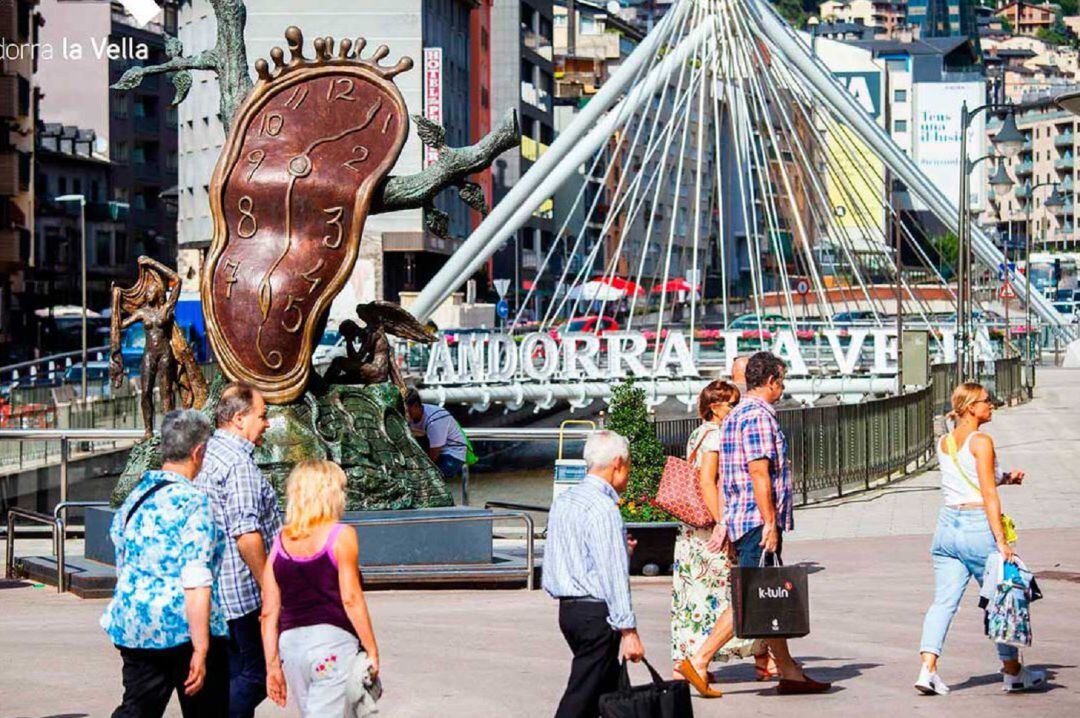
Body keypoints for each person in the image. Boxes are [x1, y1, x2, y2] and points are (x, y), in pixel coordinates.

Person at [915, 382, 1044, 695]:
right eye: (987, 401)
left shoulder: (945, 441)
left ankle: (927, 670)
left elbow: (972, 477)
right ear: (971, 406)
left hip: (947, 527)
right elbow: (987, 493)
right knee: (1001, 598)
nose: (992, 405)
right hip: (976, 527)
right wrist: (1001, 541)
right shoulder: (982, 441)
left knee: (943, 602)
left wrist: (1006, 478)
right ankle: (1012, 671)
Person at [101, 409, 228, 718]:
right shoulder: (193, 502)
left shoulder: (136, 497)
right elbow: (196, 579)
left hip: (134, 624)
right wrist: (201, 647)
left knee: (138, 708)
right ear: (198, 452)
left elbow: (121, 551)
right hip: (181, 627)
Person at [720, 351, 831, 695]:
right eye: (781, 380)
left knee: (768, 597)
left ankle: (788, 670)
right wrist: (770, 522)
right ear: (770, 381)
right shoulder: (758, 417)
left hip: (745, 518)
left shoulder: (737, 414)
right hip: (756, 520)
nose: (783, 387)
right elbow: (758, 471)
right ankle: (697, 659)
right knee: (752, 597)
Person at [262, 460, 381, 717]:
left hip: (291, 645)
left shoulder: (280, 541)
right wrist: (371, 648)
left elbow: (269, 612)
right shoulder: (341, 535)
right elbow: (351, 599)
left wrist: (272, 666)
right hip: (332, 642)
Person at [543, 430, 645, 718]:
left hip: (570, 610)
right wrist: (629, 630)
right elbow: (613, 574)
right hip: (596, 615)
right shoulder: (604, 509)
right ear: (618, 464)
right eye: (629, 467)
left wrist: (620, 550)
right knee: (581, 696)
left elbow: (563, 555)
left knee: (605, 692)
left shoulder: (566, 500)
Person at [670, 380, 762, 697]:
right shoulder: (715, 436)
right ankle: (700, 664)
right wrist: (722, 521)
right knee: (720, 595)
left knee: (692, 595)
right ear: (715, 406)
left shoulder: (698, 433)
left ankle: (688, 661)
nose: (734, 409)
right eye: (730, 404)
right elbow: (709, 482)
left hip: (691, 530)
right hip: (708, 529)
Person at [195, 383, 281, 718]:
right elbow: (246, 533)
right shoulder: (239, 465)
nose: (267, 423)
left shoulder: (208, 454)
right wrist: (268, 586)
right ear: (240, 419)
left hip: (213, 592)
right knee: (256, 675)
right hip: (240, 595)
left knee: (230, 675)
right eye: (262, 416)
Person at [404, 387, 468, 481]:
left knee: (427, 480)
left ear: (416, 406)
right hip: (432, 451)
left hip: (452, 454)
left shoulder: (434, 420)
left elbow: (435, 450)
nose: (406, 414)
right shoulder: (412, 417)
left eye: (407, 411)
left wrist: (423, 470)